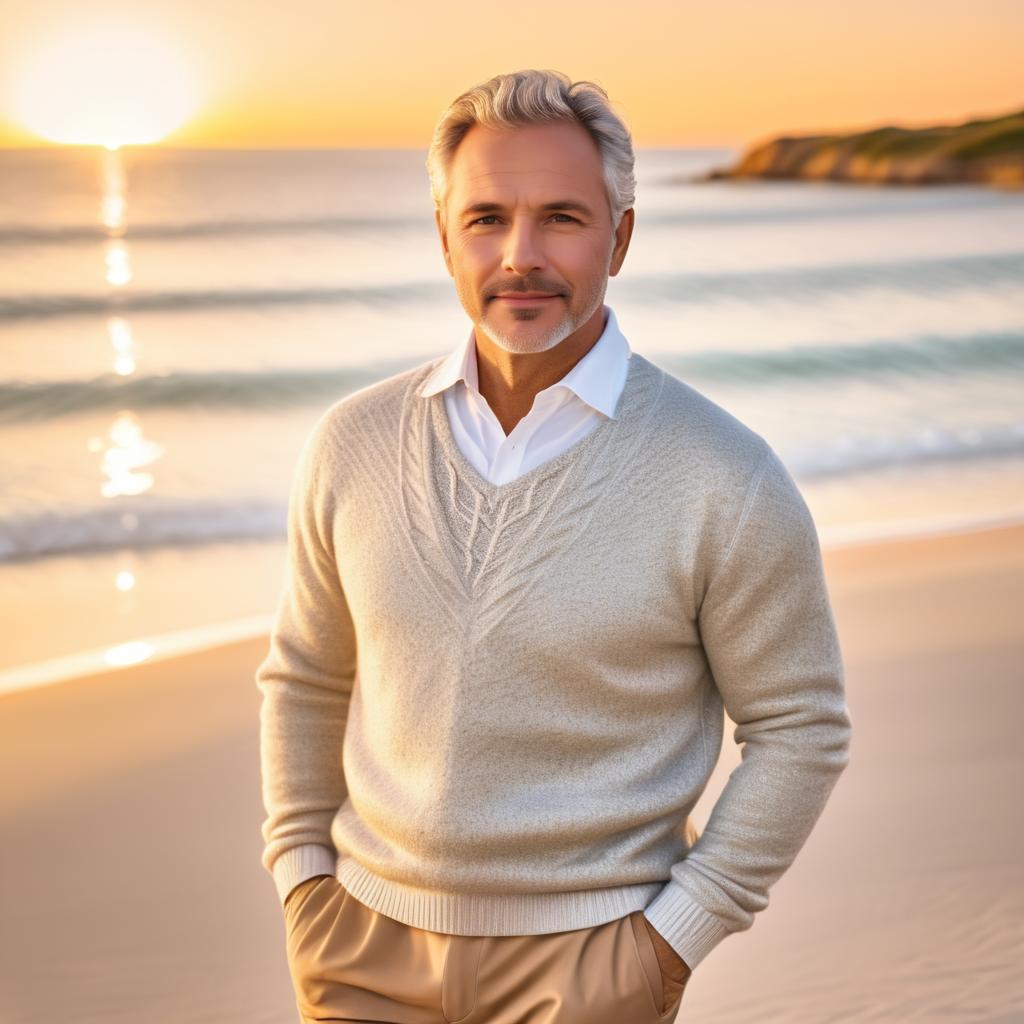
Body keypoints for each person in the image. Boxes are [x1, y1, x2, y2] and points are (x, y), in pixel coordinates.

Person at [256, 68, 853, 1024]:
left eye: (562, 218)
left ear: (619, 236)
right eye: (487, 217)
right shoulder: (350, 442)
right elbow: (306, 675)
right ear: (443, 233)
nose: (520, 254)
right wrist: (301, 878)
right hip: (360, 946)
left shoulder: (723, 476)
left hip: (591, 965)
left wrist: (673, 938)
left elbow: (802, 728)